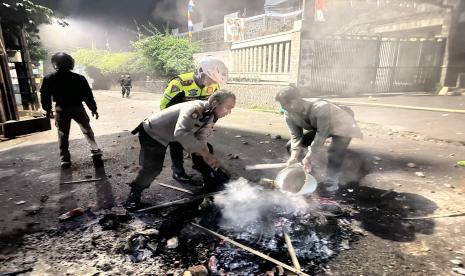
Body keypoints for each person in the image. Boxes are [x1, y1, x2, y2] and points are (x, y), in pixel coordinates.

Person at [125, 91, 236, 210]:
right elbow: (181, 133)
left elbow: (201, 137)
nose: (228, 112)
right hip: (153, 132)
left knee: (204, 152)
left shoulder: (210, 115)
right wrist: (205, 153)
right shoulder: (195, 108)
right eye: (227, 107)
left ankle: (211, 183)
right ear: (214, 103)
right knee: (153, 168)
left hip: (173, 134)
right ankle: (133, 196)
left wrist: (209, 158)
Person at [275, 86, 363, 195]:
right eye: (282, 104)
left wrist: (310, 155)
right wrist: (294, 157)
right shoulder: (288, 113)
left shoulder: (320, 107)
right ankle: (309, 173)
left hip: (342, 126)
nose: (285, 107)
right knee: (290, 146)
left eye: (288, 103)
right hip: (321, 128)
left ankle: (331, 182)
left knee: (335, 153)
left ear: (298, 98)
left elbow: (322, 135)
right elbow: (296, 136)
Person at [159, 57, 229, 184]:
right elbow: (165, 107)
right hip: (175, 118)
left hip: (197, 119)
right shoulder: (179, 83)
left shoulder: (214, 87)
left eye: (215, 81)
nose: (212, 83)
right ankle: (178, 171)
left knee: (204, 145)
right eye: (211, 79)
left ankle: (205, 168)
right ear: (201, 73)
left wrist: (210, 124)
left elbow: (215, 108)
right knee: (176, 143)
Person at [40, 52, 102, 168]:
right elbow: (88, 95)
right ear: (71, 63)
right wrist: (93, 109)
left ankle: (65, 160)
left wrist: (48, 110)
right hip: (77, 107)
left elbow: (45, 96)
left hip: (61, 109)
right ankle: (95, 152)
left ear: (55, 64)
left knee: (63, 135)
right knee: (87, 131)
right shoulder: (79, 78)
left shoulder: (49, 78)